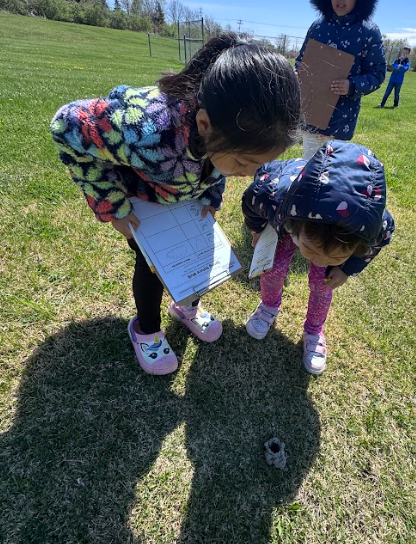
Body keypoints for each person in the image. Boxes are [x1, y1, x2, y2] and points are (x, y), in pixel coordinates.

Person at [50, 34, 301, 375]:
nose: (247, 174)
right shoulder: (145, 130)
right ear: (204, 124)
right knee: (152, 266)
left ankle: (186, 308)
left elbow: (218, 163)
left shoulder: (227, 132)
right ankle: (147, 330)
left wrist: (211, 196)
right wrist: (112, 207)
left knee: (197, 254)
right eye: (243, 163)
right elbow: (66, 125)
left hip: (184, 196)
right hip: (142, 203)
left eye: (257, 166)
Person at [242, 141, 394, 374]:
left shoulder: (374, 229)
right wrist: (258, 230)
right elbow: (251, 199)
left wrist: (347, 268)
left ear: (356, 245)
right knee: (273, 268)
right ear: (296, 228)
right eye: (311, 251)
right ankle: (269, 306)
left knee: (323, 285)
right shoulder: (273, 197)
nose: (320, 262)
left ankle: (314, 330)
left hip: (310, 220)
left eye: (335, 257)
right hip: (295, 209)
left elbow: (377, 244)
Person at [296, 0, 386, 160]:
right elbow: (300, 62)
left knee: (331, 173)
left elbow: (377, 73)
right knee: (309, 169)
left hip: (341, 124)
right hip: (311, 118)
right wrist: (299, 77)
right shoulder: (318, 27)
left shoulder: (368, 32)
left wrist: (352, 85)